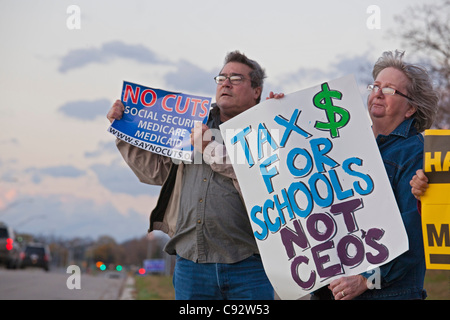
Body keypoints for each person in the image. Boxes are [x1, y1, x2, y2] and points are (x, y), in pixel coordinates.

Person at [107, 51, 279, 300]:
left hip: (249, 265)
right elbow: (156, 172)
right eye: (221, 77)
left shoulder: (267, 128)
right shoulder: (189, 124)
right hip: (191, 264)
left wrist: (209, 148)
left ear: (256, 91)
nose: (226, 83)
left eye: (236, 78)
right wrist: (124, 129)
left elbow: (262, 178)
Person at [325, 50, 439, 300]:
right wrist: (275, 109)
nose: (377, 92)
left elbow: (415, 234)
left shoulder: (415, 153)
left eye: (389, 90)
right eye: (375, 86)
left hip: (390, 293)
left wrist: (368, 279)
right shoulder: (350, 145)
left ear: (410, 109)